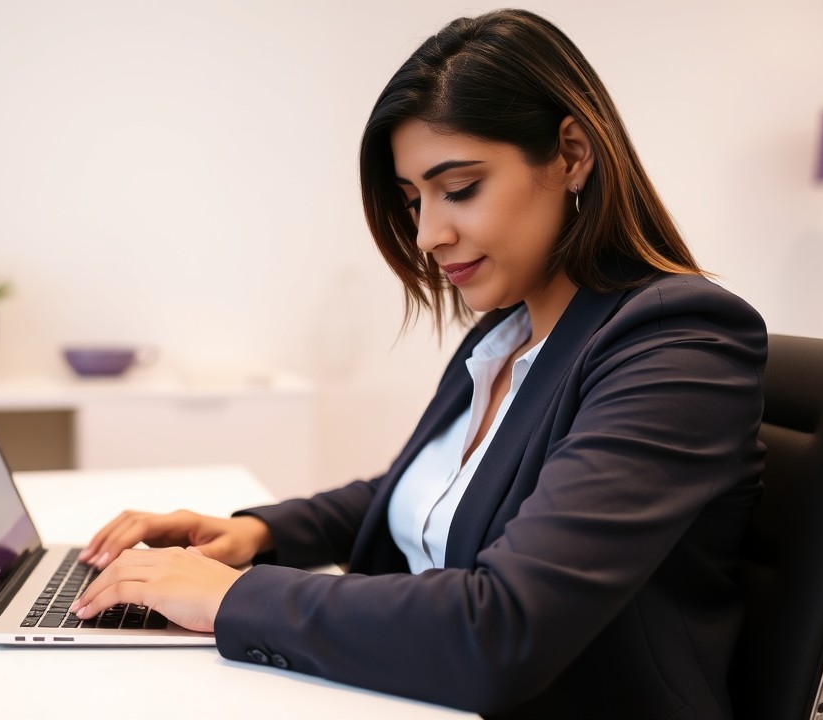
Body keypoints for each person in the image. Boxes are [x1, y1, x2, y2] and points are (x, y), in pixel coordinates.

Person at [71, 9, 766, 719]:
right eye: (412, 201)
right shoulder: (509, 333)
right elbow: (427, 491)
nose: (429, 235)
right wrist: (260, 533)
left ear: (572, 153)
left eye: (459, 188)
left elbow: (502, 629)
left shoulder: (679, 344)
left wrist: (230, 598)